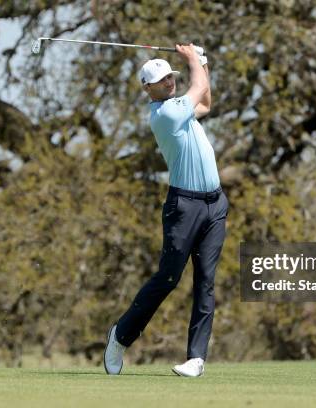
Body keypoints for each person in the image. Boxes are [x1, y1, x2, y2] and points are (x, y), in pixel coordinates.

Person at [103, 44, 228, 377]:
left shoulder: (180, 108)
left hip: (215, 204)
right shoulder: (165, 114)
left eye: (170, 77)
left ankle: (196, 358)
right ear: (147, 88)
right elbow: (197, 88)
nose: (169, 82)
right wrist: (193, 60)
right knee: (168, 278)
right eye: (160, 81)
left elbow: (205, 101)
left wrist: (202, 62)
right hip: (183, 206)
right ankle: (121, 335)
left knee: (206, 280)